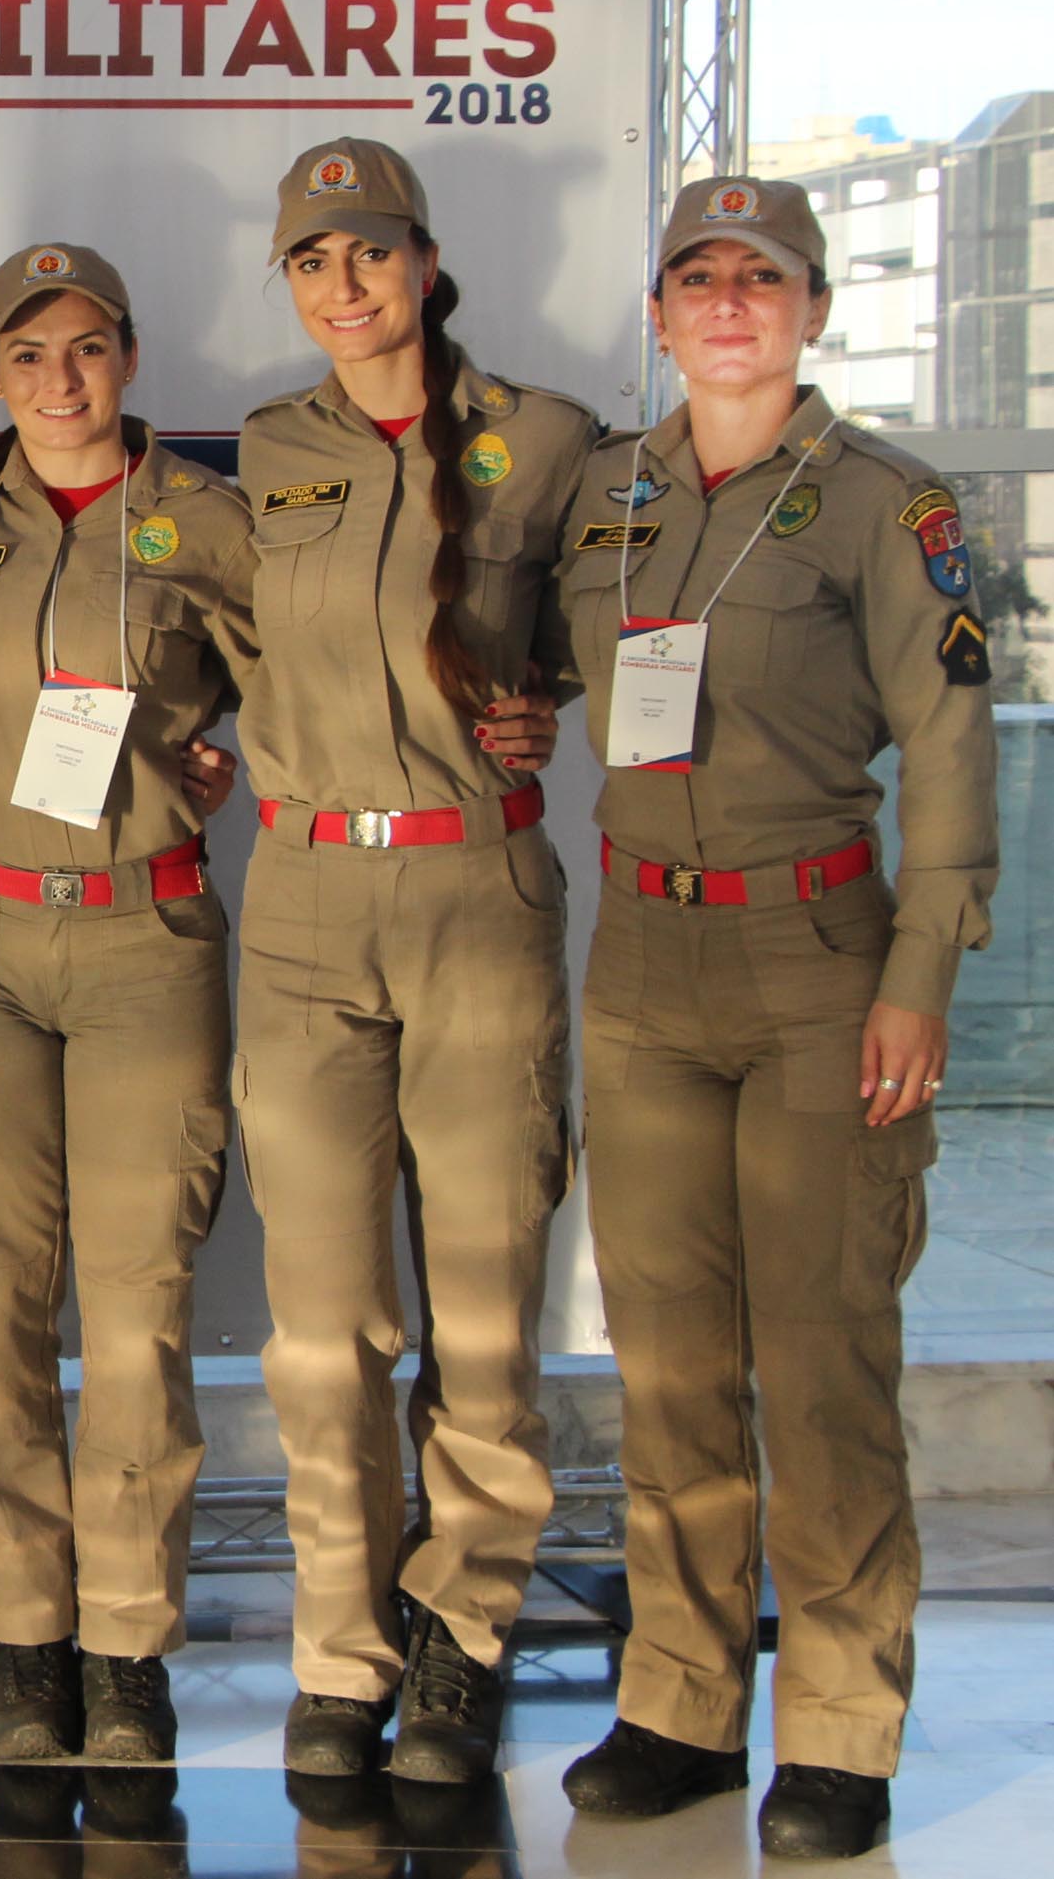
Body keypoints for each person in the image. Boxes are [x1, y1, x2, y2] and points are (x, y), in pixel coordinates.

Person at [550, 178, 996, 1860]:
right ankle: (678, 1700)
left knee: (818, 1363)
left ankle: (837, 1723)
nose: (728, 300)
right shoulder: (609, 492)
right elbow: (540, 661)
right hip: (641, 962)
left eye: (763, 276)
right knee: (667, 1361)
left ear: (811, 309)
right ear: (658, 313)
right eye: (698, 275)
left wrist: (918, 973)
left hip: (816, 956)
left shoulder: (885, 501)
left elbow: (946, 746)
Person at [237, 138, 598, 1782]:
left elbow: (626, 619)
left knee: (482, 1298)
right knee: (322, 1322)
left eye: (368, 251)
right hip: (307, 905)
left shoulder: (548, 441)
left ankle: (462, 1624)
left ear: (425, 264)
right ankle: (340, 1644)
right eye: (311, 260)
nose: (343, 284)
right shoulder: (267, 450)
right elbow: (186, 622)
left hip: (475, 894)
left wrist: (556, 701)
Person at [0, 245, 254, 1766]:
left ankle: (124, 1640)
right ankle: (23, 1635)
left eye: (88, 347)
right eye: (29, 353)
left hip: (139, 936)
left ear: (129, 356)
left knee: (134, 1309)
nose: (61, 379)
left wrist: (223, 755)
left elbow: (310, 674)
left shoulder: (207, 520)